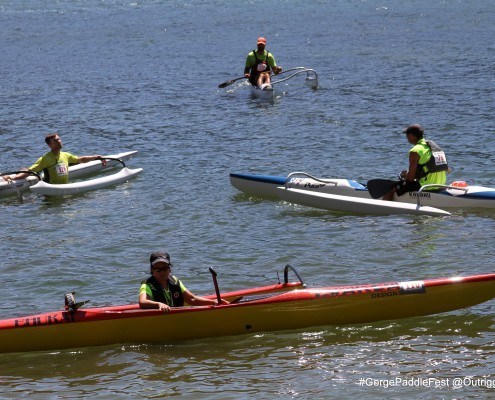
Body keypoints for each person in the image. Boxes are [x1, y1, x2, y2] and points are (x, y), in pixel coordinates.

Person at [139, 251, 229, 313]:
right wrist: (158, 304)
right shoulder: (147, 285)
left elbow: (192, 299)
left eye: (164, 268)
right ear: (152, 270)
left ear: (169, 269)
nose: (162, 272)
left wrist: (213, 302)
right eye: (158, 269)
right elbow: (142, 302)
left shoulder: (175, 281)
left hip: (177, 318)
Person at [1, 132, 105, 184]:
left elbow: (80, 159)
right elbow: (30, 171)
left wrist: (96, 157)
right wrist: (13, 178)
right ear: (50, 145)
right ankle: (6, 176)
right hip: (50, 190)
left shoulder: (65, 155)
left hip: (63, 188)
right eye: (55, 141)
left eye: (59, 139)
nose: (59, 141)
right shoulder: (45, 159)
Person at [383, 124, 448, 201]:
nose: (406, 137)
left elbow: (410, 179)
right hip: (441, 185)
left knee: (390, 189)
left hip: (426, 186)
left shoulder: (415, 150)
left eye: (407, 134)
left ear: (412, 136)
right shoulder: (433, 147)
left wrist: (406, 176)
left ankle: (388, 210)